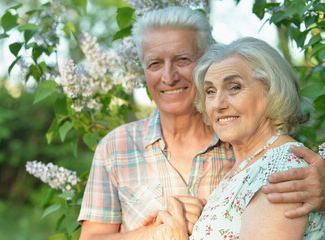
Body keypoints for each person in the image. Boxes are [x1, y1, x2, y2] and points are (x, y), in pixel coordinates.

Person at [78, 7, 325, 240]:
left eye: (182, 59)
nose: (168, 77)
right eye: (154, 63)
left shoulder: (263, 157)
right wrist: (157, 233)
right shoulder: (116, 146)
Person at [149, 37, 325, 239]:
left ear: (272, 91)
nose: (218, 104)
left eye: (234, 87)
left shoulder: (281, 171)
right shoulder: (244, 168)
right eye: (210, 91)